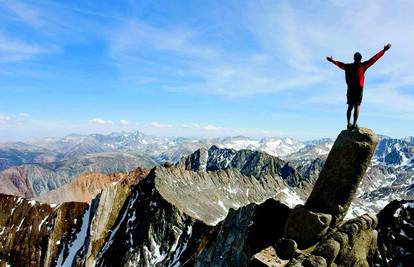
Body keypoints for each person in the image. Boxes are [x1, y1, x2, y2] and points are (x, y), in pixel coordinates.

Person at [326, 43, 391, 129]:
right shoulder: (362, 66)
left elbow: (339, 64)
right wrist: (383, 51)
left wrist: (332, 60)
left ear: (353, 58)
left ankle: (348, 124)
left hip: (350, 88)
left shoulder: (348, 66)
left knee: (350, 106)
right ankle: (354, 124)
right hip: (359, 88)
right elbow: (374, 59)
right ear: (361, 59)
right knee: (357, 105)